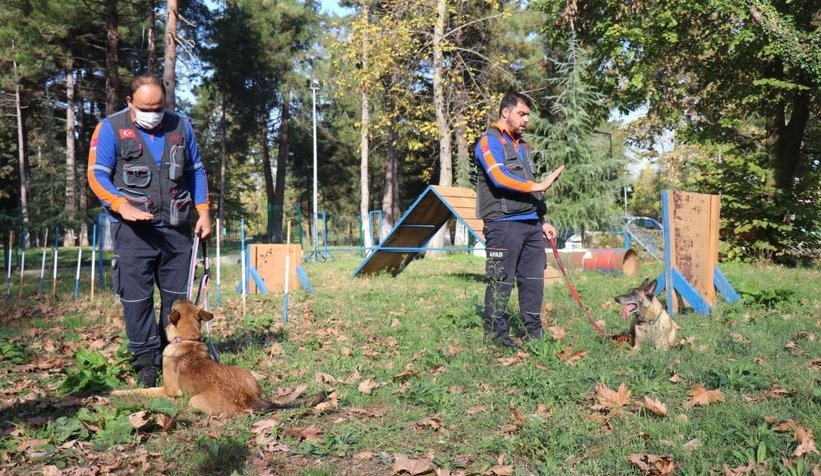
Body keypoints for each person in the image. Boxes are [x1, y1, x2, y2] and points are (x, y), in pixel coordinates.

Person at [88, 75, 211, 386]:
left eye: (158, 106)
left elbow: (196, 170)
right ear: (130, 102)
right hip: (132, 231)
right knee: (137, 298)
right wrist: (119, 204)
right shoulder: (110, 129)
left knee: (176, 301)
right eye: (145, 107)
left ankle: (175, 356)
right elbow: (96, 175)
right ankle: (146, 362)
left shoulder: (180, 126)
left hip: (176, 228)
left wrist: (204, 211)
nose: (153, 113)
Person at [474, 92, 564, 348]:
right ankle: (497, 335)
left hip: (532, 226)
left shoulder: (524, 147)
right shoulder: (487, 142)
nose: (526, 120)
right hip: (502, 224)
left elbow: (530, 192)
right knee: (500, 282)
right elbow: (499, 177)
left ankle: (534, 334)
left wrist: (542, 220)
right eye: (521, 114)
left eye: (528, 115)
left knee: (533, 282)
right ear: (505, 112)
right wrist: (541, 183)